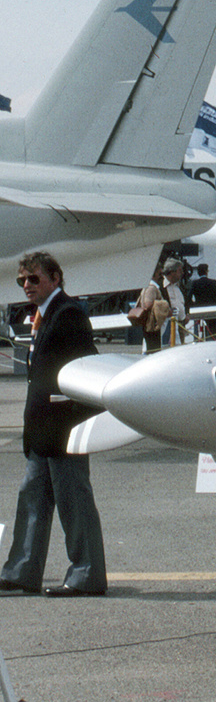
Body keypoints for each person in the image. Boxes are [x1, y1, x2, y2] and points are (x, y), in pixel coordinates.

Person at [1, 252, 105, 596]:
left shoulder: (68, 314)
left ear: (55, 278)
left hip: (62, 431)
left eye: (34, 279)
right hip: (42, 434)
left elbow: (86, 370)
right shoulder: (44, 316)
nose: (27, 285)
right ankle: (22, 573)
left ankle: (87, 576)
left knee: (74, 503)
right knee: (30, 499)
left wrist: (71, 422)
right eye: (22, 280)